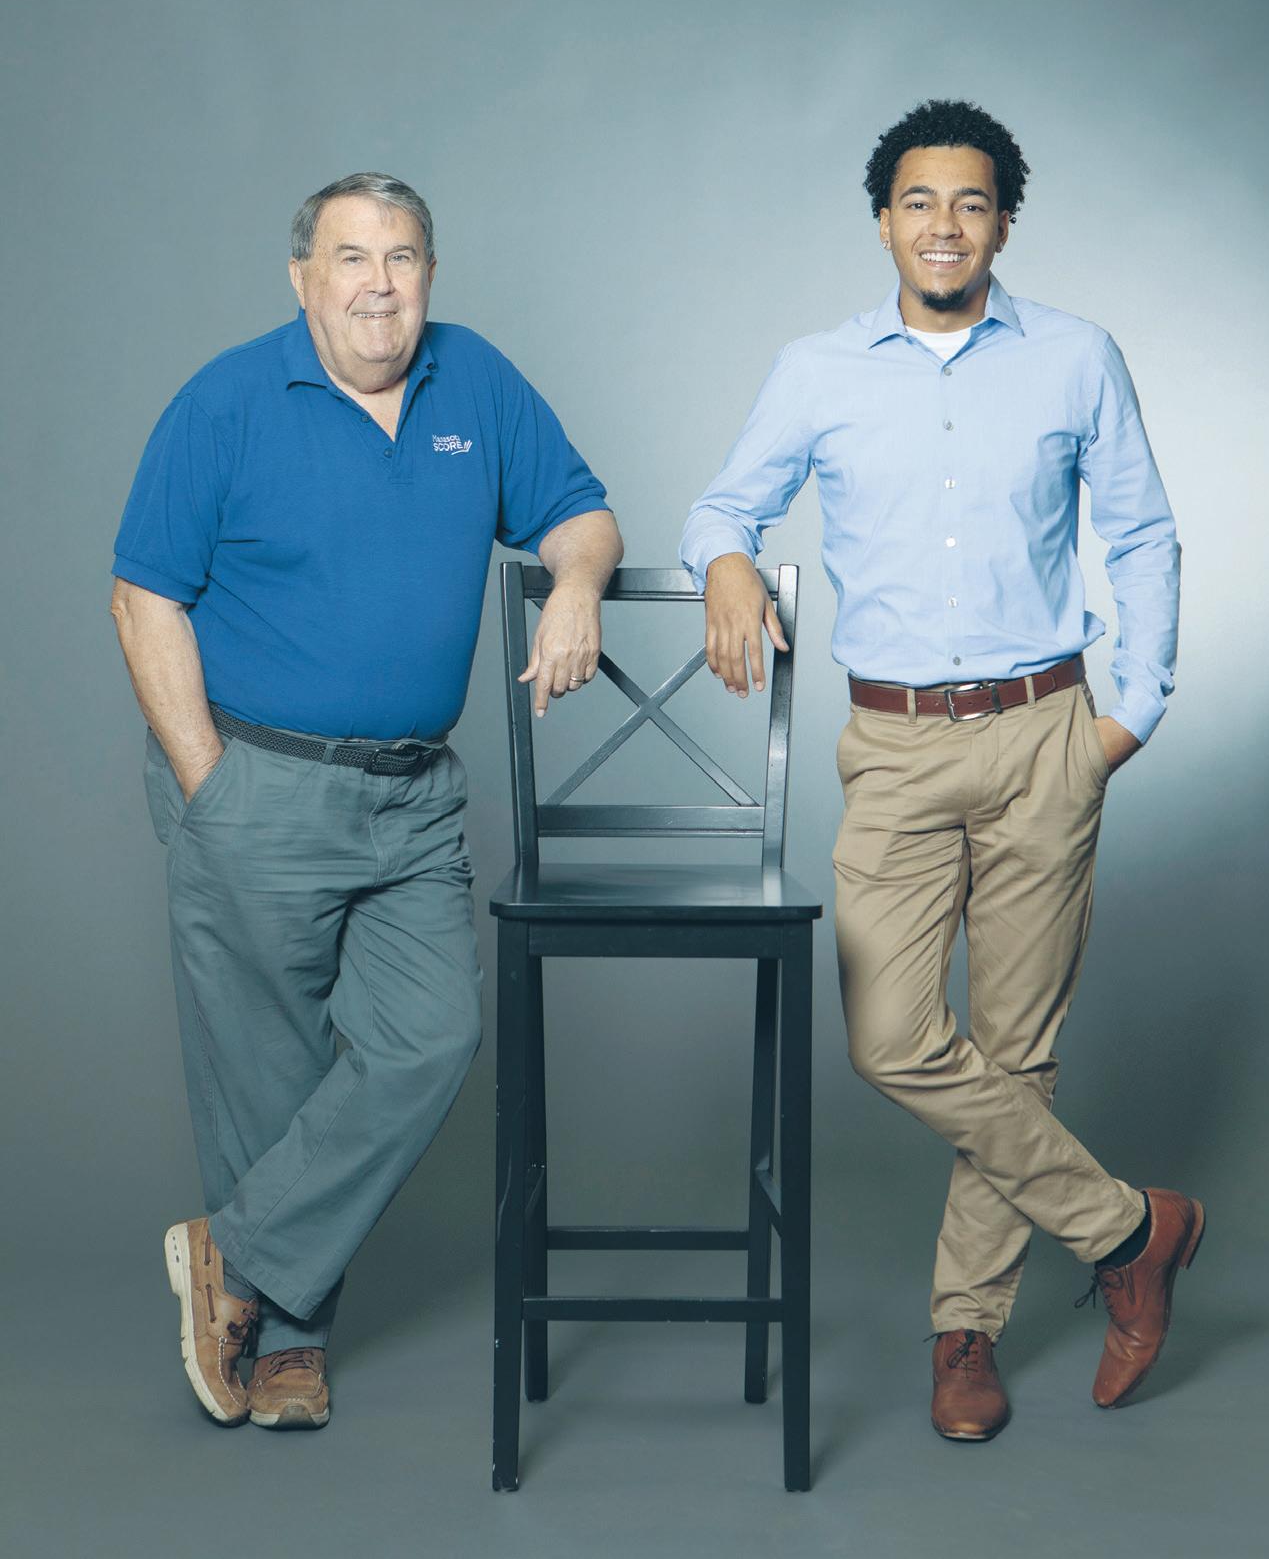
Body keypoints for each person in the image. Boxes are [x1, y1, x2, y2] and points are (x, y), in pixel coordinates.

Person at [680, 100, 1202, 1441]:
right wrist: (727, 560)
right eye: (919, 201)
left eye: (970, 202)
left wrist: (1131, 712)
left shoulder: (1077, 356)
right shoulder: (816, 370)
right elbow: (721, 505)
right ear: (883, 223)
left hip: (1046, 733)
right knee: (893, 1035)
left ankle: (964, 1332)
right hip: (895, 747)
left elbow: (1142, 533)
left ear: (1003, 224)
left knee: (1016, 1050)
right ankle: (1129, 1229)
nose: (944, 226)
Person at [111, 172, 622, 1430]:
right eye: (351, 258)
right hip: (255, 781)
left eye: (401, 257)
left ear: (430, 275)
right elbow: (143, 596)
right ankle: (290, 1347)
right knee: (268, 1075)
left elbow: (582, 514)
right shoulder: (227, 402)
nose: (378, 285)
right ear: (304, 278)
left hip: (412, 798)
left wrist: (575, 584)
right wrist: (209, 786)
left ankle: (234, 1258)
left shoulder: (474, 380)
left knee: (430, 1037)